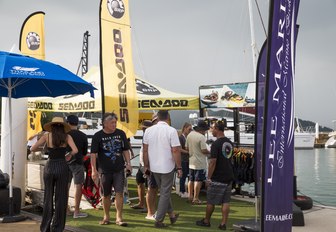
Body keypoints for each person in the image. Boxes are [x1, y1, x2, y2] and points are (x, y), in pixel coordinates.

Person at [31, 117, 78, 232]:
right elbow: (75, 150)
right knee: (61, 198)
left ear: (52, 126)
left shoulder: (46, 136)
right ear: (63, 126)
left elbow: (32, 148)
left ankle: (45, 227)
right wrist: (69, 155)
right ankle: (57, 228)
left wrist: (44, 147)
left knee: (48, 197)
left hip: (50, 167)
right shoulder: (67, 136)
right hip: (62, 166)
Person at [90, 112, 132, 226]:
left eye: (115, 122)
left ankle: (119, 217)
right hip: (104, 171)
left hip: (119, 169)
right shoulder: (97, 136)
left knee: (119, 193)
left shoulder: (121, 133)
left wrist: (128, 163)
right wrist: (94, 170)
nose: (114, 124)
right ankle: (106, 216)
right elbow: (93, 154)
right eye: (112, 122)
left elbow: (125, 150)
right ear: (104, 123)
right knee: (105, 195)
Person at [143, 110, 182, 228]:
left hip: (154, 166)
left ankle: (171, 215)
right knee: (165, 192)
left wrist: (146, 165)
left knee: (164, 192)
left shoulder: (148, 130)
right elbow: (175, 150)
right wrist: (179, 166)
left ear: (157, 118)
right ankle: (159, 219)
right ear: (168, 118)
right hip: (167, 166)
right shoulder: (171, 130)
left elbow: (145, 150)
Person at [196, 120, 234, 230]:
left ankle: (207, 221)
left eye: (212, 128)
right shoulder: (229, 143)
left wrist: (208, 178)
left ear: (217, 129)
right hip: (228, 175)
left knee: (211, 201)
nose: (211, 130)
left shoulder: (216, 144)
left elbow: (213, 162)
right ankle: (223, 224)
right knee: (226, 201)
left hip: (218, 176)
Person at [66, 115, 89, 218]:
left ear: (67, 123)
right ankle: (76, 211)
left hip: (65, 163)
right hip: (78, 163)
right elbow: (84, 152)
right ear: (77, 123)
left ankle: (65, 210)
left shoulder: (64, 135)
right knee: (78, 186)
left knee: (64, 187)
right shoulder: (83, 136)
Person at [130, 120, 153, 211]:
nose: (143, 129)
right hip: (142, 164)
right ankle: (141, 203)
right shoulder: (145, 136)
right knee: (139, 182)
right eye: (142, 128)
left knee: (149, 186)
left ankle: (148, 206)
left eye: (144, 128)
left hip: (148, 165)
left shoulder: (151, 137)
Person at [186, 120, 210, 204]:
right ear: (202, 129)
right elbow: (204, 150)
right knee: (198, 180)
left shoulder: (190, 135)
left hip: (191, 161)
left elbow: (186, 148)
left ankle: (190, 196)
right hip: (200, 162)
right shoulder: (201, 137)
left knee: (191, 179)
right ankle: (196, 198)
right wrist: (210, 152)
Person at [144, 113, 159, 220]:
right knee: (151, 188)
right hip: (150, 165)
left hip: (156, 165)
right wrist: (146, 166)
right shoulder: (149, 133)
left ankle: (152, 211)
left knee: (154, 189)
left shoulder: (152, 132)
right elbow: (145, 151)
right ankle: (150, 212)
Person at [178, 122, 192, 198]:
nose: (190, 131)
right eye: (189, 129)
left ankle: (184, 190)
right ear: (185, 128)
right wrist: (189, 152)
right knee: (183, 176)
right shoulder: (181, 137)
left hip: (188, 159)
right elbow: (179, 149)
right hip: (183, 159)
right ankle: (182, 191)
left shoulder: (188, 137)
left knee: (188, 175)